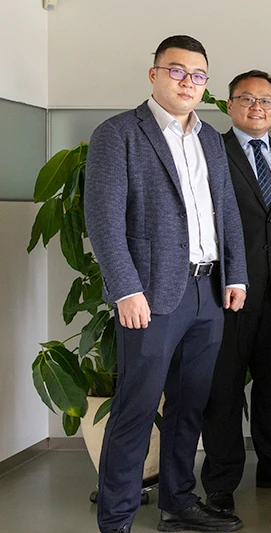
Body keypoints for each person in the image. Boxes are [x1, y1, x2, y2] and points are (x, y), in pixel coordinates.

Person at [84, 35, 247, 533]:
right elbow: (104, 219)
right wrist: (125, 289)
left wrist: (235, 273)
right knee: (135, 407)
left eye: (198, 75)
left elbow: (227, 213)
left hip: (206, 291)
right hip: (149, 295)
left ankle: (178, 501)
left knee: (189, 405)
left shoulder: (212, 139)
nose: (188, 82)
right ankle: (116, 519)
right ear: (154, 74)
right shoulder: (119, 134)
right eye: (177, 71)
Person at [200, 70, 271, 515]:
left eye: (266, 101)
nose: (256, 108)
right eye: (246, 99)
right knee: (224, 390)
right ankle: (221, 480)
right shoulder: (212, 151)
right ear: (229, 106)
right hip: (226, 293)